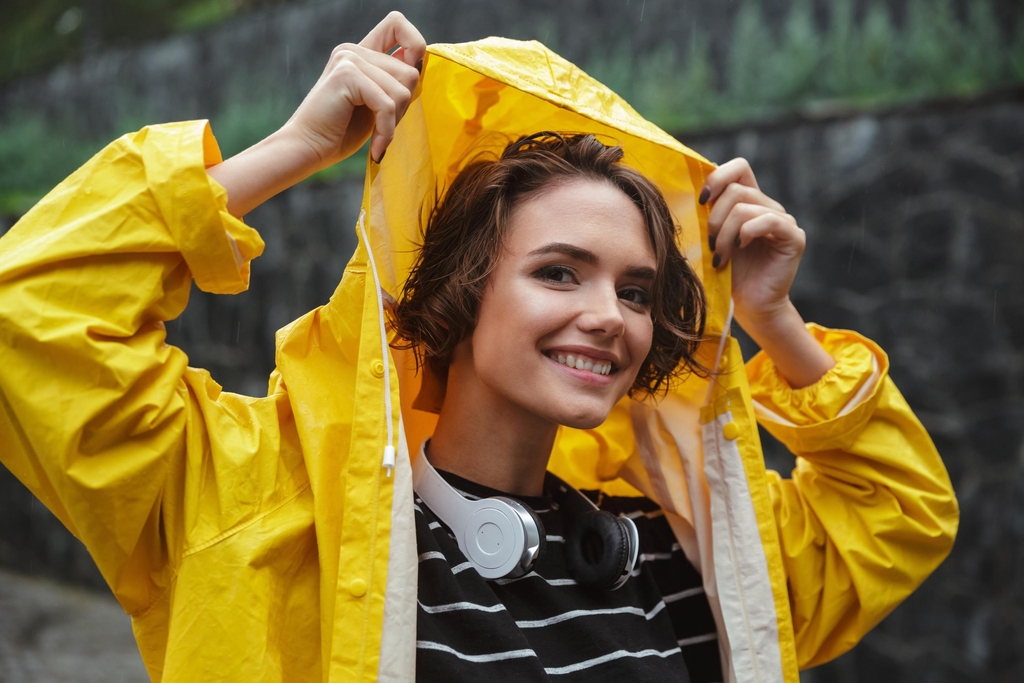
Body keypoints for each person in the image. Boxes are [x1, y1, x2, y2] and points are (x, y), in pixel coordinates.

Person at [0, 11, 957, 683]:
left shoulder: (686, 548)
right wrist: (290, 146)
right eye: (558, 271)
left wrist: (773, 320)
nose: (610, 316)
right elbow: (29, 316)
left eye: (636, 290)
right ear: (462, 289)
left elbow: (897, 516)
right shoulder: (261, 510)